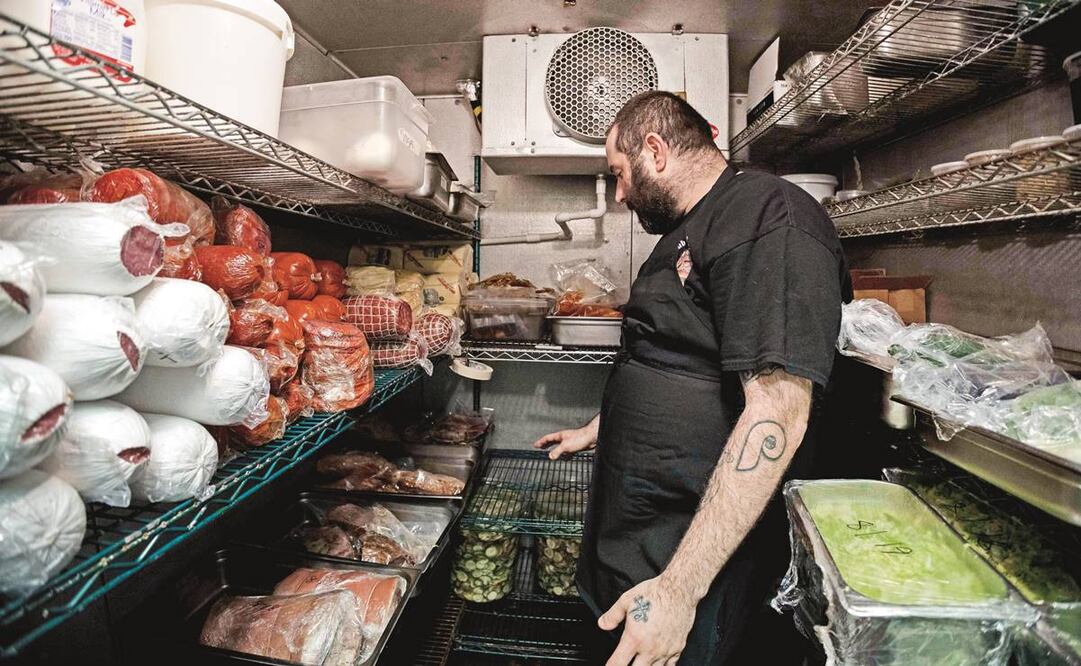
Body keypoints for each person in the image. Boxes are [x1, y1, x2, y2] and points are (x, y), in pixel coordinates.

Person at [533, 90, 850, 665]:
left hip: (691, 562)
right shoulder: (689, 227)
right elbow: (679, 359)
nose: (621, 192)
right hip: (640, 543)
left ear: (654, 150)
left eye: (619, 173)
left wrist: (679, 591)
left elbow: (777, 412)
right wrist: (602, 427)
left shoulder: (767, 217)